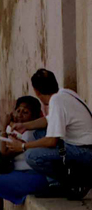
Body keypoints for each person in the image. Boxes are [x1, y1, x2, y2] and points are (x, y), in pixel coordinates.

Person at [8, 69, 92, 200]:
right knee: (38, 132)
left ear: (36, 91)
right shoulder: (64, 93)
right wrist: (25, 126)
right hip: (82, 146)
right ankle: (59, 182)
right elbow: (49, 120)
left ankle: (71, 182)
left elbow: (52, 141)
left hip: (85, 152)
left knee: (32, 156)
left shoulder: (56, 101)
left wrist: (23, 147)